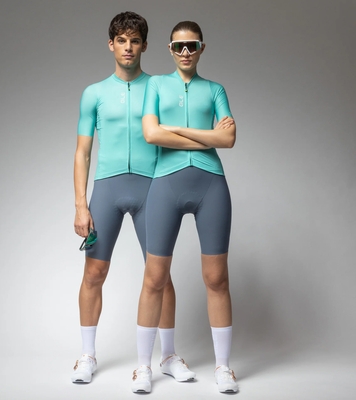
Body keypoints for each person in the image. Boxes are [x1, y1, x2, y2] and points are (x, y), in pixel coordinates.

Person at [72, 12, 195, 385]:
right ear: (111, 44)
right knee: (94, 272)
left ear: (144, 45)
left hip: (152, 189)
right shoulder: (94, 93)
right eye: (122, 41)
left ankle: (168, 356)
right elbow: (82, 152)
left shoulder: (159, 88)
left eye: (135, 41)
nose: (128, 47)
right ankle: (87, 356)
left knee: (160, 275)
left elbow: (179, 133)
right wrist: (80, 204)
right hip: (107, 189)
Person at [131, 21, 238, 394]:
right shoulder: (157, 86)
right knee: (154, 278)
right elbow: (151, 133)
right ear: (170, 49)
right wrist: (208, 137)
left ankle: (224, 367)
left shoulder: (215, 89)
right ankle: (143, 367)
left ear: (202, 47)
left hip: (211, 185)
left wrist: (176, 130)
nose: (186, 52)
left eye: (192, 45)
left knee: (217, 279)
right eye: (179, 46)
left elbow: (229, 138)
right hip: (166, 184)